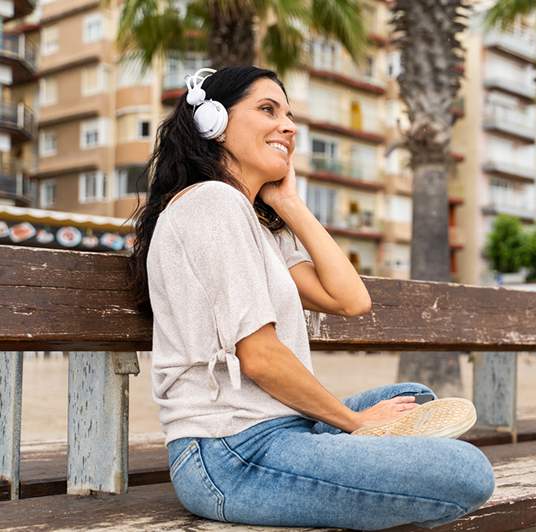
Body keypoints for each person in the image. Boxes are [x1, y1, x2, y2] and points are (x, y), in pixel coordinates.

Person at [126, 66, 494, 529]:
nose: (289, 126)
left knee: (412, 398)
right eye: (267, 110)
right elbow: (259, 357)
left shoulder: (258, 226)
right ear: (213, 123)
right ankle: (355, 460)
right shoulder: (210, 205)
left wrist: (289, 205)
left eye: (289, 114)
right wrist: (358, 424)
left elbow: (351, 300)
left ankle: (347, 462)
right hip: (230, 453)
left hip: (279, 429)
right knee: (466, 471)